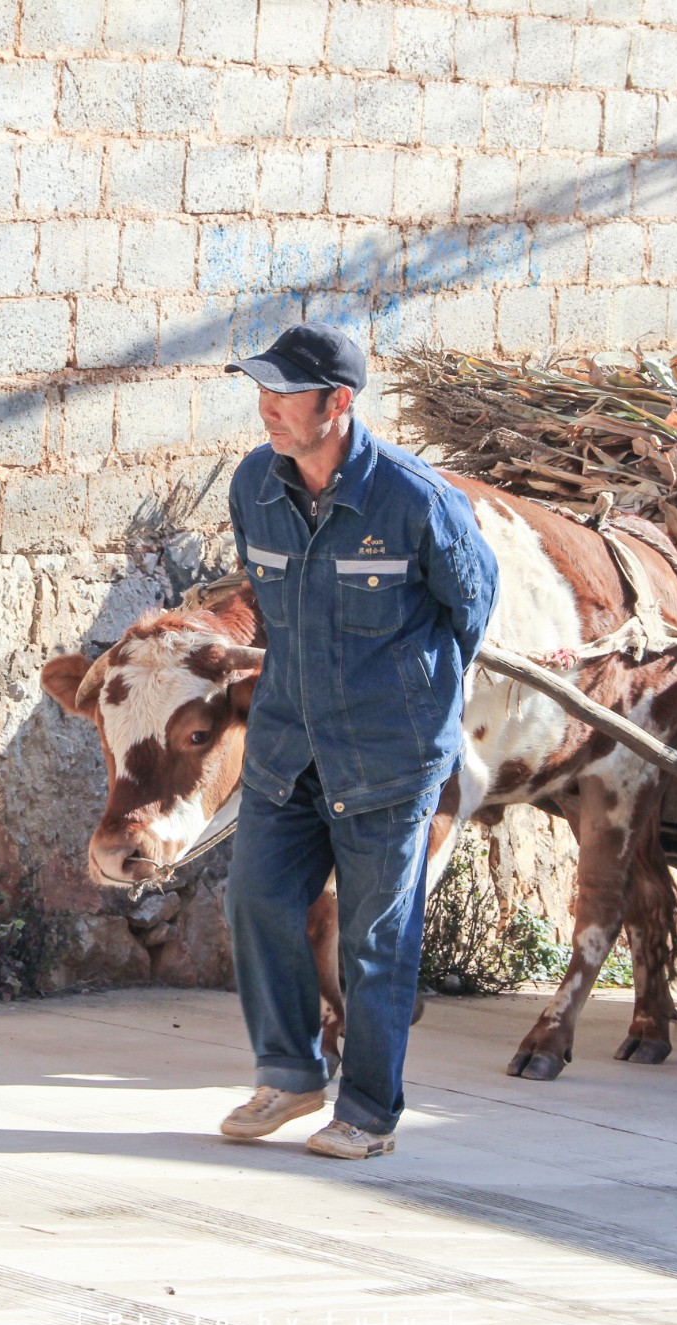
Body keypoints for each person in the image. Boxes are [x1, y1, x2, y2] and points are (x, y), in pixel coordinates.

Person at [215, 322, 499, 1159]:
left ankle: (368, 1111)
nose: (266, 407)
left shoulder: (415, 500)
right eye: (260, 390)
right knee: (257, 898)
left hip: (387, 754)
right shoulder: (253, 489)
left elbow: (472, 605)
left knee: (375, 937)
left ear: (338, 403)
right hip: (288, 745)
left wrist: (416, 699)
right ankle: (292, 1074)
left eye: (284, 393)